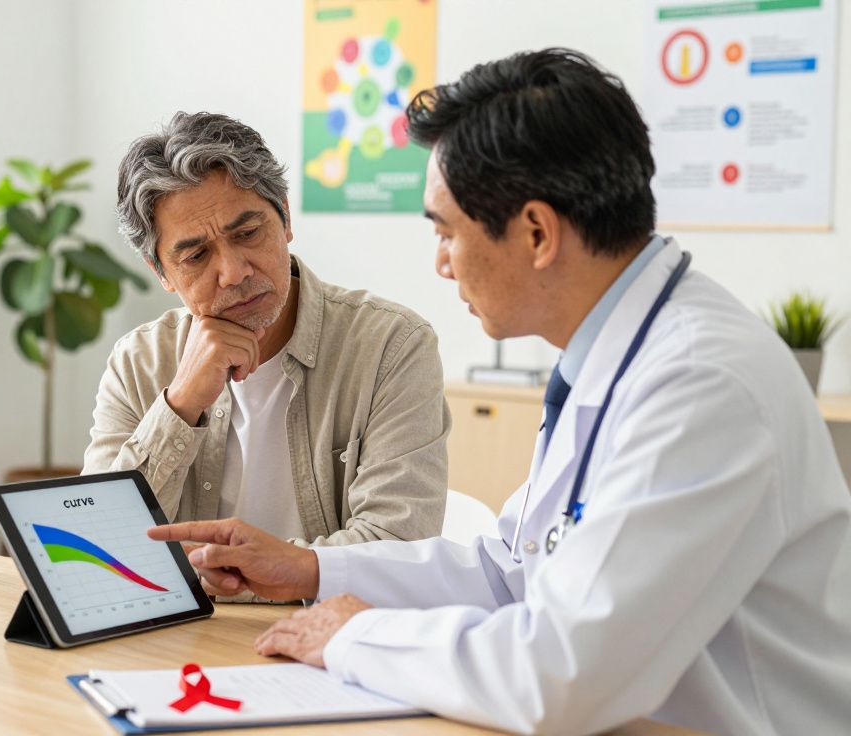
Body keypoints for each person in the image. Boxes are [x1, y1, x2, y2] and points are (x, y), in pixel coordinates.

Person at [149, 50, 851, 734]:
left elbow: (559, 677)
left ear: (537, 232)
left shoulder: (699, 385)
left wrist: (356, 637)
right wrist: (308, 566)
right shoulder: (617, 355)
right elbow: (507, 570)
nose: (441, 263)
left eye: (446, 230)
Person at [87, 112, 448, 558]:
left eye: (249, 233)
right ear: (161, 272)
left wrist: (240, 579)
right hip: (187, 629)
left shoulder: (390, 346)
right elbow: (100, 545)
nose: (234, 272)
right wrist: (179, 406)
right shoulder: (138, 361)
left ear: (286, 219)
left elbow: (398, 547)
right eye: (197, 255)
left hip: (335, 624)